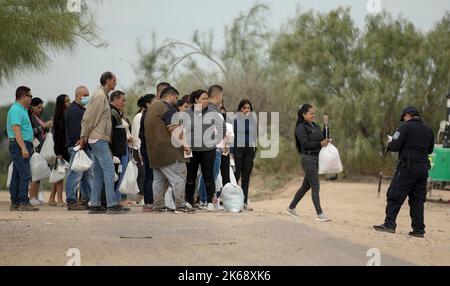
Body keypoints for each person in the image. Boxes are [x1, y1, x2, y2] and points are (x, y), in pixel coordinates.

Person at [373, 106, 435, 238]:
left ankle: (389, 224)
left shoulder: (405, 127)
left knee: (395, 194)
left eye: (404, 118)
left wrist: (390, 143)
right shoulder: (428, 129)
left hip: (407, 167)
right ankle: (418, 230)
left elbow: (395, 146)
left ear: (407, 116)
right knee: (417, 199)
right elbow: (429, 150)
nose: (403, 120)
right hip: (423, 169)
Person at [78, 71, 130, 214]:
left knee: (100, 172)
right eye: (114, 80)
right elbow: (88, 118)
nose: (116, 82)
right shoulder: (100, 96)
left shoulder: (103, 95)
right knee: (109, 170)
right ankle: (111, 204)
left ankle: (95, 204)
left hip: (100, 138)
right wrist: (83, 137)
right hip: (98, 138)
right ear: (107, 81)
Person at [144, 86, 194, 213]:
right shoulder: (167, 107)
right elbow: (174, 129)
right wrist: (185, 145)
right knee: (179, 175)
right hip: (168, 151)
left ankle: (159, 206)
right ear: (170, 96)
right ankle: (181, 205)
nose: (176, 100)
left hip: (153, 151)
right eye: (176, 98)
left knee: (159, 179)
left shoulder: (151, 109)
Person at [285, 104, 332, 222]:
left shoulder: (315, 125)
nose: (313, 115)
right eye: (311, 113)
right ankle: (320, 213)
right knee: (315, 185)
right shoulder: (300, 128)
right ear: (304, 114)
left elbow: (323, 137)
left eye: (314, 113)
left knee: (306, 186)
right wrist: (320, 144)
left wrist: (326, 125)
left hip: (317, 158)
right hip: (308, 159)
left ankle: (291, 208)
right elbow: (305, 144)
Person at [184, 88, 226, 212]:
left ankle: (209, 202)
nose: (206, 101)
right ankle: (189, 202)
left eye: (207, 98)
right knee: (190, 177)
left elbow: (222, 128)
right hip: (192, 150)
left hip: (208, 149)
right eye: (203, 98)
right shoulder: (187, 113)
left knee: (209, 176)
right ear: (196, 100)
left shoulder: (213, 113)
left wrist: (214, 140)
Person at [7, 86, 39, 211]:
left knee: (17, 173)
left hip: (21, 144)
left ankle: (15, 202)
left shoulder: (22, 110)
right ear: (24, 96)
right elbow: (16, 129)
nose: (31, 98)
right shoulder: (16, 109)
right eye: (30, 96)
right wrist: (23, 148)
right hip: (20, 144)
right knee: (25, 174)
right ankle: (23, 202)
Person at [65, 86, 93, 210]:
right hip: (77, 147)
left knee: (87, 175)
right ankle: (71, 200)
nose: (87, 97)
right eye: (84, 95)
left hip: (82, 147)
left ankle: (86, 200)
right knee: (75, 174)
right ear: (77, 96)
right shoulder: (75, 111)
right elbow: (77, 131)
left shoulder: (80, 109)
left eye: (88, 95)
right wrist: (81, 143)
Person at [232, 99, 257, 211]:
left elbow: (254, 136)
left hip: (249, 151)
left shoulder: (252, 120)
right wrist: (232, 152)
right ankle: (235, 202)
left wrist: (254, 150)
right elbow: (232, 136)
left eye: (249, 108)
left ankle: (244, 202)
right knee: (236, 176)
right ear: (240, 109)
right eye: (245, 108)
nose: (247, 110)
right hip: (238, 150)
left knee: (246, 177)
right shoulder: (236, 119)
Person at [28, 97, 53, 206]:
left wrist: (47, 129)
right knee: (34, 172)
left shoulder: (39, 117)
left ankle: (36, 196)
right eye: (38, 107)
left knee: (38, 174)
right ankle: (32, 196)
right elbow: (30, 132)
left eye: (41, 107)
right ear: (32, 107)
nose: (40, 109)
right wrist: (43, 126)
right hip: (34, 148)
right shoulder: (30, 117)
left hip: (41, 148)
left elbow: (42, 131)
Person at [109, 90, 133, 205]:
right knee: (114, 176)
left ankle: (116, 199)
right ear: (116, 99)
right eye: (123, 100)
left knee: (119, 175)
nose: (124, 103)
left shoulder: (118, 114)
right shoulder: (112, 113)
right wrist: (112, 151)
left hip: (123, 149)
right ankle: (112, 200)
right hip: (116, 151)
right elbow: (110, 133)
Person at [48, 94, 71, 207]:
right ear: (62, 104)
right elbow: (56, 137)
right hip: (61, 150)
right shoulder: (58, 118)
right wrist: (58, 153)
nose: (69, 103)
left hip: (67, 149)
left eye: (69, 100)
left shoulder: (68, 115)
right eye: (66, 101)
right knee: (60, 175)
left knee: (58, 174)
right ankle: (60, 199)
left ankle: (52, 198)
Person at [139, 94, 156, 212]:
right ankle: (149, 202)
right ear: (148, 104)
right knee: (150, 176)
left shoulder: (146, 115)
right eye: (155, 102)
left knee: (148, 176)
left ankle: (148, 202)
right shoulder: (148, 116)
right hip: (148, 149)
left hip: (146, 148)